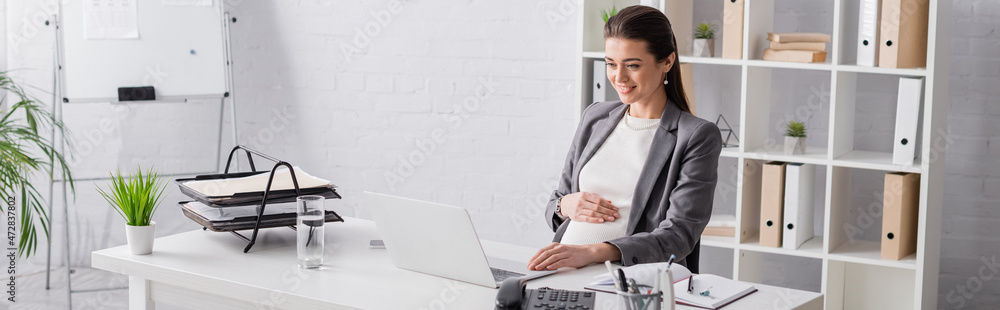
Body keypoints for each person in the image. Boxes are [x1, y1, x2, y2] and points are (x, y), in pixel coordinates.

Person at [527, 5, 721, 271]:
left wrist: (592, 252)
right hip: (565, 269)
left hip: (631, 279)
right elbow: (557, 202)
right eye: (611, 64)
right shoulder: (595, 117)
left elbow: (680, 234)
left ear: (667, 61)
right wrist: (565, 205)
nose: (619, 77)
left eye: (632, 65)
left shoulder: (696, 136)